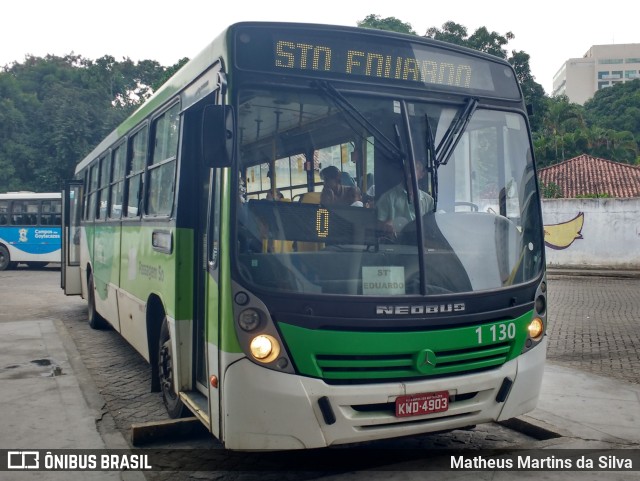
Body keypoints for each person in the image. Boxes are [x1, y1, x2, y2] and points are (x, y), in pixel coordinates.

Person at [376, 162, 434, 236]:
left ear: (421, 174)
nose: (410, 171)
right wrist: (386, 225)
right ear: (403, 172)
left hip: (420, 244)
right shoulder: (387, 198)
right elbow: (377, 225)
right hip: (395, 243)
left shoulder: (429, 201)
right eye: (408, 168)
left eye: (415, 168)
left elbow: (432, 227)